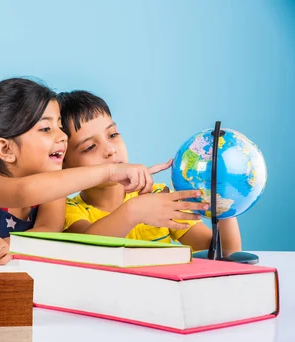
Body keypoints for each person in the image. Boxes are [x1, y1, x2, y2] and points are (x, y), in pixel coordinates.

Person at [0, 78, 172, 266]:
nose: (63, 136)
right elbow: (23, 191)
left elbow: (49, 230)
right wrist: (111, 171)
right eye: (47, 129)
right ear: (6, 149)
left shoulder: (52, 187)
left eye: (60, 127)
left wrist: (11, 244)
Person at [58, 89, 242, 255]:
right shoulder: (67, 211)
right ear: (64, 163)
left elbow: (223, 253)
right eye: (90, 147)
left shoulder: (157, 198)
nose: (110, 150)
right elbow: (86, 251)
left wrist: (224, 200)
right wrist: (135, 211)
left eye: (113, 135)